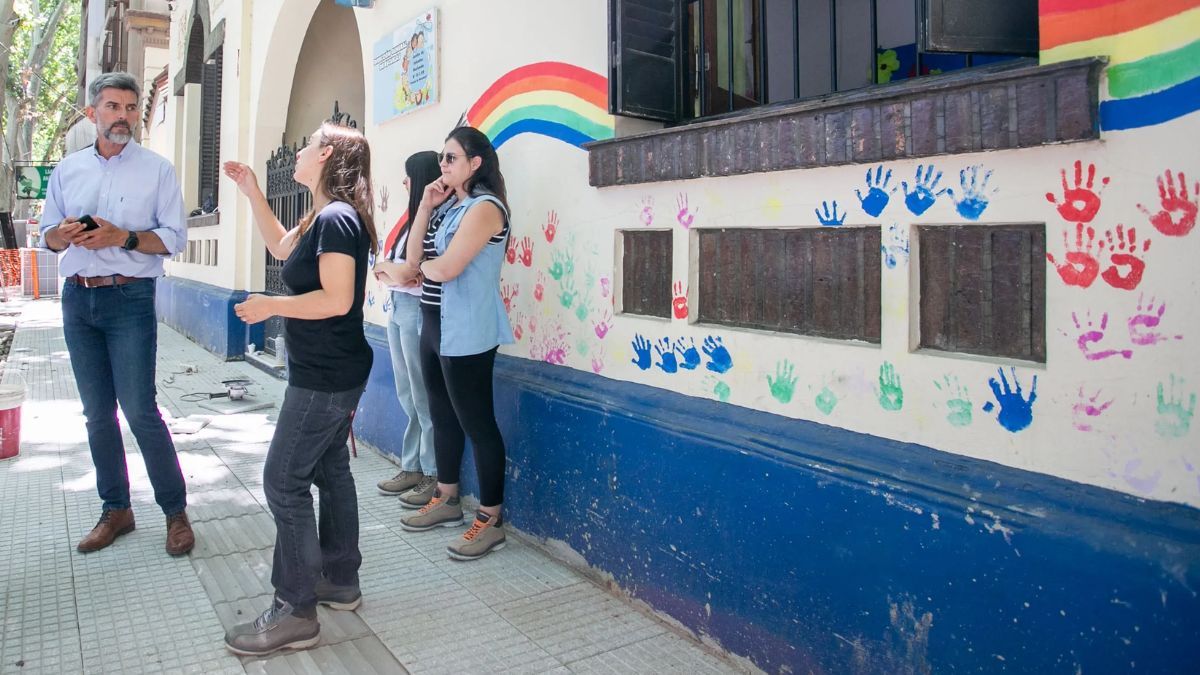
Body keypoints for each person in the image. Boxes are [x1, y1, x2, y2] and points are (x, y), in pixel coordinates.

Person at [220, 122, 376, 656]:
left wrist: (272, 305)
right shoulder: (321, 217)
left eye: (308, 144)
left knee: (284, 481)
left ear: (327, 154)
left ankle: (296, 609)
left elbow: (336, 298)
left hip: (325, 378)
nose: (301, 152)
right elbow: (279, 244)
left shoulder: (337, 218)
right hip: (331, 372)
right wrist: (252, 192)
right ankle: (339, 579)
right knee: (330, 471)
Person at [40, 71, 194, 557]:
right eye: (113, 107)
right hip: (77, 298)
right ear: (93, 114)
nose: (123, 117)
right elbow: (45, 235)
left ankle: (175, 512)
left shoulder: (157, 170)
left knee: (140, 409)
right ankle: (117, 509)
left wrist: (120, 236)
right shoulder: (67, 170)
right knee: (96, 414)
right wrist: (64, 235)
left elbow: (173, 239)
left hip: (129, 300)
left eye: (130, 108)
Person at [393, 126, 513, 561]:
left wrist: (416, 270)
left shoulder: (485, 209)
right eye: (442, 159)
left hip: (465, 329)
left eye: (450, 158)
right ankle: (446, 498)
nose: (442, 166)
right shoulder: (449, 207)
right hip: (433, 321)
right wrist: (425, 205)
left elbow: (447, 267)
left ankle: (491, 518)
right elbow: (414, 258)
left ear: (474, 163)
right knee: (442, 415)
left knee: (477, 424)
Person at [374, 151, 440, 506]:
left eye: (408, 176)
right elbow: (382, 268)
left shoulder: (431, 221)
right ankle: (412, 465)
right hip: (398, 307)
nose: (404, 183)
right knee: (406, 392)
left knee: (422, 393)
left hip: (416, 308)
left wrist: (393, 270)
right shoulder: (408, 220)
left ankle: (431, 472)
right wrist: (392, 269)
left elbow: (407, 272)